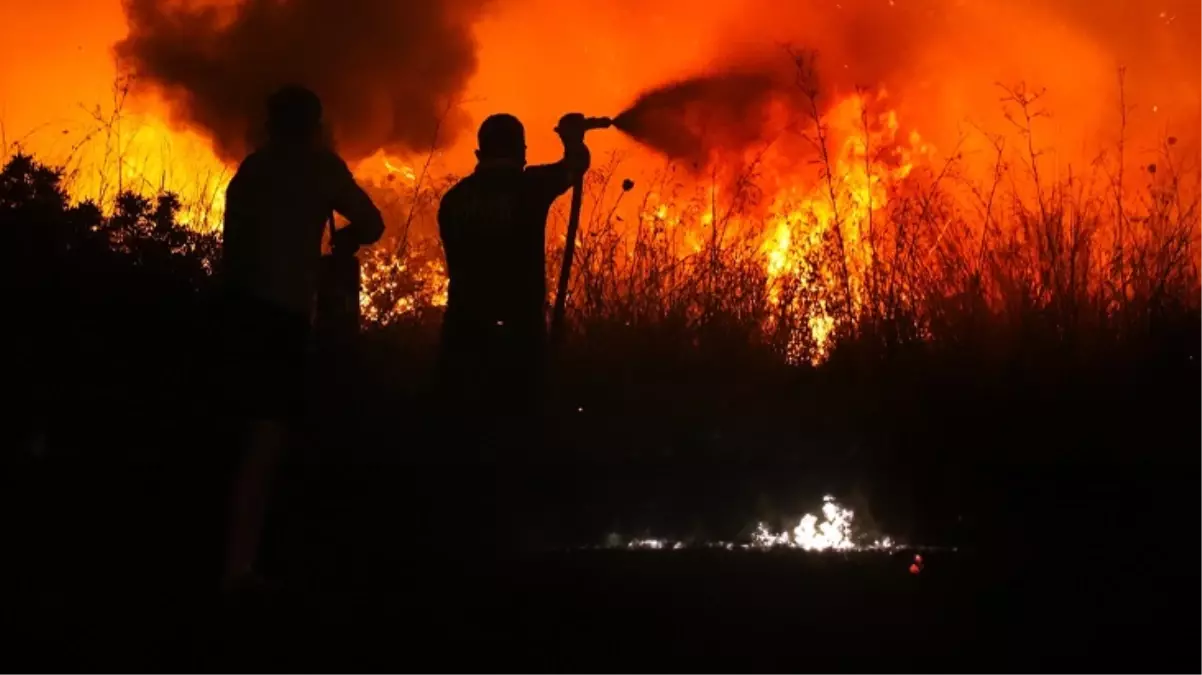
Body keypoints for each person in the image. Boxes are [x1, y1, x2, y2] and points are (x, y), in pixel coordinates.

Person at [218, 85, 384, 589]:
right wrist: (348, 240)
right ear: (313, 125)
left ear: (271, 124)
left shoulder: (251, 171)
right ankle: (244, 566)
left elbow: (235, 248)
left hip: (239, 313)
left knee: (243, 435)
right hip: (285, 316)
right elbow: (371, 222)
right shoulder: (320, 167)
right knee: (273, 437)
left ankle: (241, 554)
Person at [436, 113, 592, 455]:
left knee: (464, 423)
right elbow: (575, 165)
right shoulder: (531, 186)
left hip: (465, 324)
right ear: (521, 152)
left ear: (479, 154)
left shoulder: (454, 200)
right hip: (520, 324)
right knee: (522, 418)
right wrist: (572, 138)